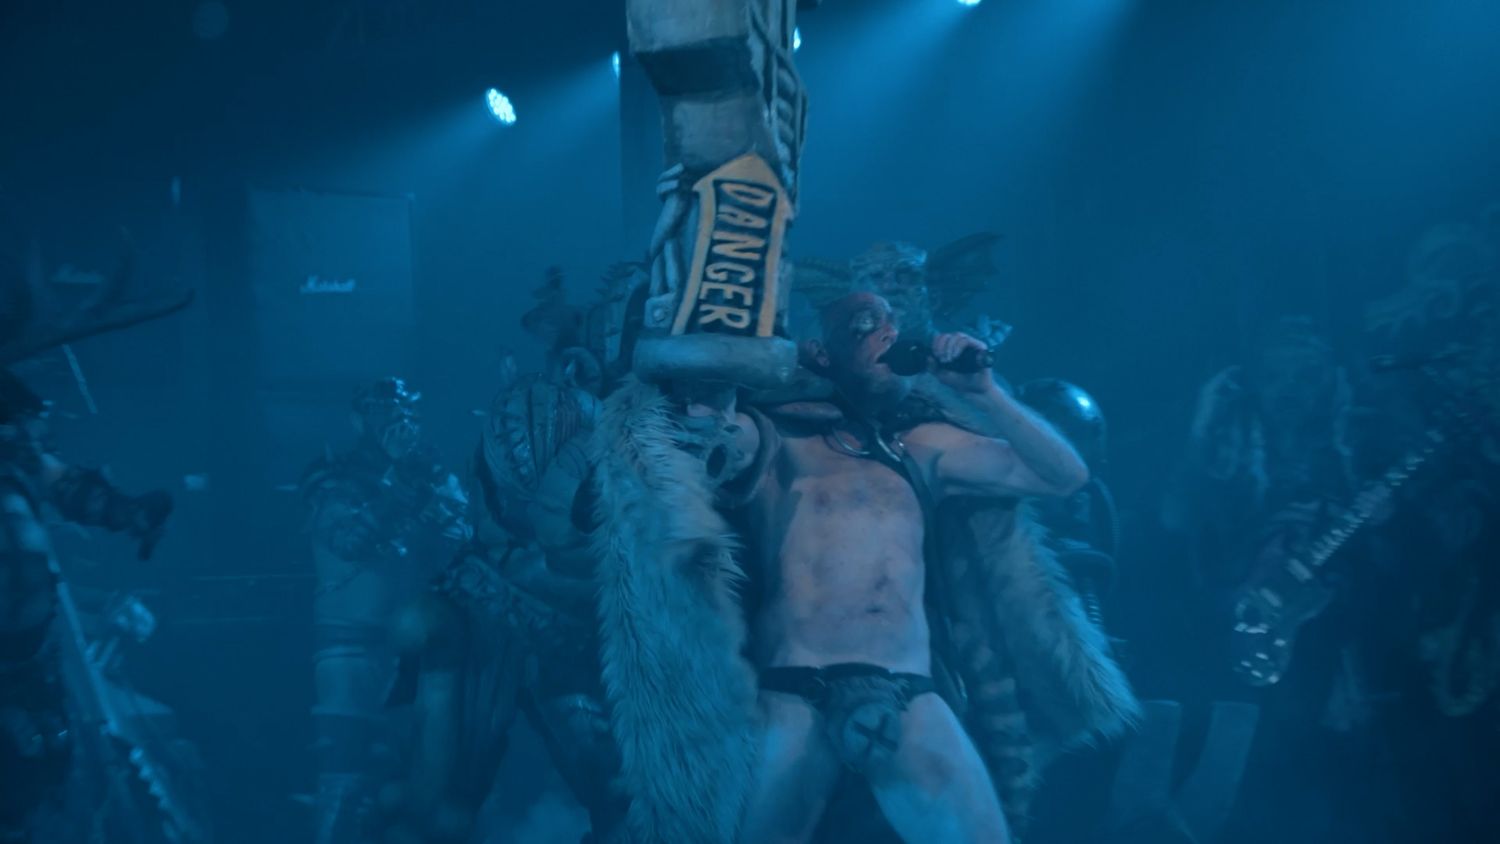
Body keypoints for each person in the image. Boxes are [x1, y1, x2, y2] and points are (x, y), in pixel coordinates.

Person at [588, 291, 1138, 844]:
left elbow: (1064, 477)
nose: (888, 333)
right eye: (865, 324)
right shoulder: (777, 437)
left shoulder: (921, 447)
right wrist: (708, 387)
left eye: (892, 324)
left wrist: (984, 393)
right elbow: (711, 441)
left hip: (907, 691)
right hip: (798, 690)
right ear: (821, 353)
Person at [0, 368, 174, 843]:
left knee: (40, 773)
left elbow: (69, 487)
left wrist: (129, 513)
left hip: (30, 663)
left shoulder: (19, 463)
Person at [301, 377, 469, 844]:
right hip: (352, 646)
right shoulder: (332, 478)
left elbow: (461, 537)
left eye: (406, 413)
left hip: (416, 648)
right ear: (359, 420)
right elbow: (350, 540)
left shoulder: (425, 472)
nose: (399, 423)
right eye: (385, 413)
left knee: (422, 781)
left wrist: (429, 480)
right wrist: (404, 482)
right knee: (346, 777)